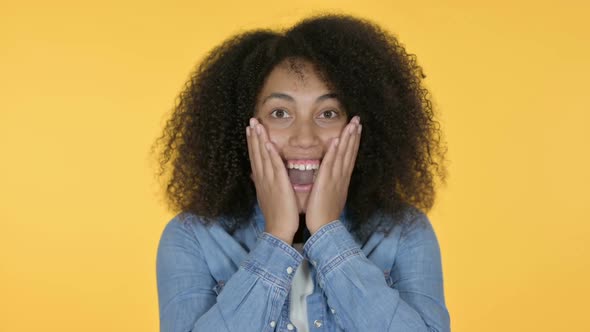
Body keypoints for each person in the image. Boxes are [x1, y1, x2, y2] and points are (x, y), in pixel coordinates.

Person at [153, 14, 450, 332]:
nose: (305, 138)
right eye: (280, 113)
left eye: (328, 113)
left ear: (361, 125)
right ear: (241, 128)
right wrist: (277, 237)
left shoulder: (404, 232)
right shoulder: (193, 238)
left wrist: (327, 234)